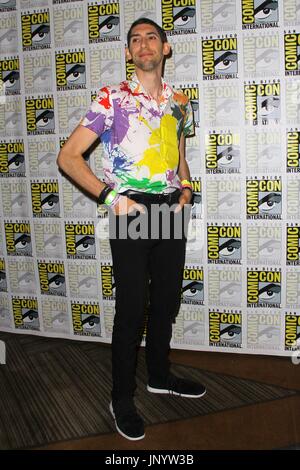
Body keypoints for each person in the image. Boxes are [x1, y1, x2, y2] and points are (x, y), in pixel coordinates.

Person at [57, 18, 206, 441]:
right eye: (135, 39)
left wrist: (187, 190)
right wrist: (110, 198)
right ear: (127, 52)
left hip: (170, 211)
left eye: (151, 37)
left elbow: (179, 156)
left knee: (165, 301)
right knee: (131, 308)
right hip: (131, 211)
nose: (144, 44)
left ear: (166, 48)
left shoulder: (181, 102)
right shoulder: (111, 99)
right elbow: (68, 157)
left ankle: (159, 376)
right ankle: (121, 397)